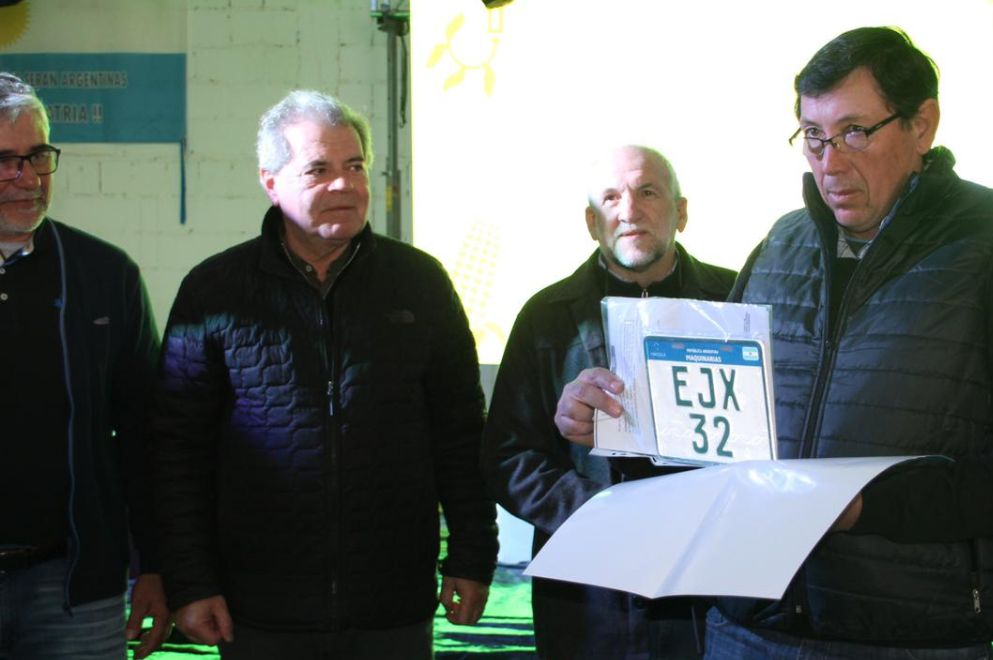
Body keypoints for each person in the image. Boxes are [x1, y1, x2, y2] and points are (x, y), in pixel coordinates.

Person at [555, 27, 993, 659]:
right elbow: (715, 435)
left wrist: (866, 505)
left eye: (854, 132)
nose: (829, 163)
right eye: (813, 135)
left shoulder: (982, 247)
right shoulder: (781, 246)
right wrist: (618, 419)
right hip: (748, 627)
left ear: (921, 125)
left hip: (911, 637)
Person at [150, 89, 498, 659]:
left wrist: (472, 556)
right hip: (258, 608)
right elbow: (177, 451)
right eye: (319, 170)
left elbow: (460, 432)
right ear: (270, 182)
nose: (345, 185)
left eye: (355, 166)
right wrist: (191, 582)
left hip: (392, 605)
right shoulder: (215, 291)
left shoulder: (420, 283)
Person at [481, 145, 736, 659]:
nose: (630, 210)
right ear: (590, 222)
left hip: (712, 586)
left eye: (648, 192)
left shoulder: (736, 302)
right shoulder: (545, 317)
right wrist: (603, 516)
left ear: (681, 212)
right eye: (611, 197)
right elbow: (507, 456)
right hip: (588, 595)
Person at [0, 73, 169, 659]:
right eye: (4, 161)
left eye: (37, 157)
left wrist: (155, 566)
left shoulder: (104, 274)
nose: (26, 178)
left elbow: (146, 434)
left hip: (73, 587)